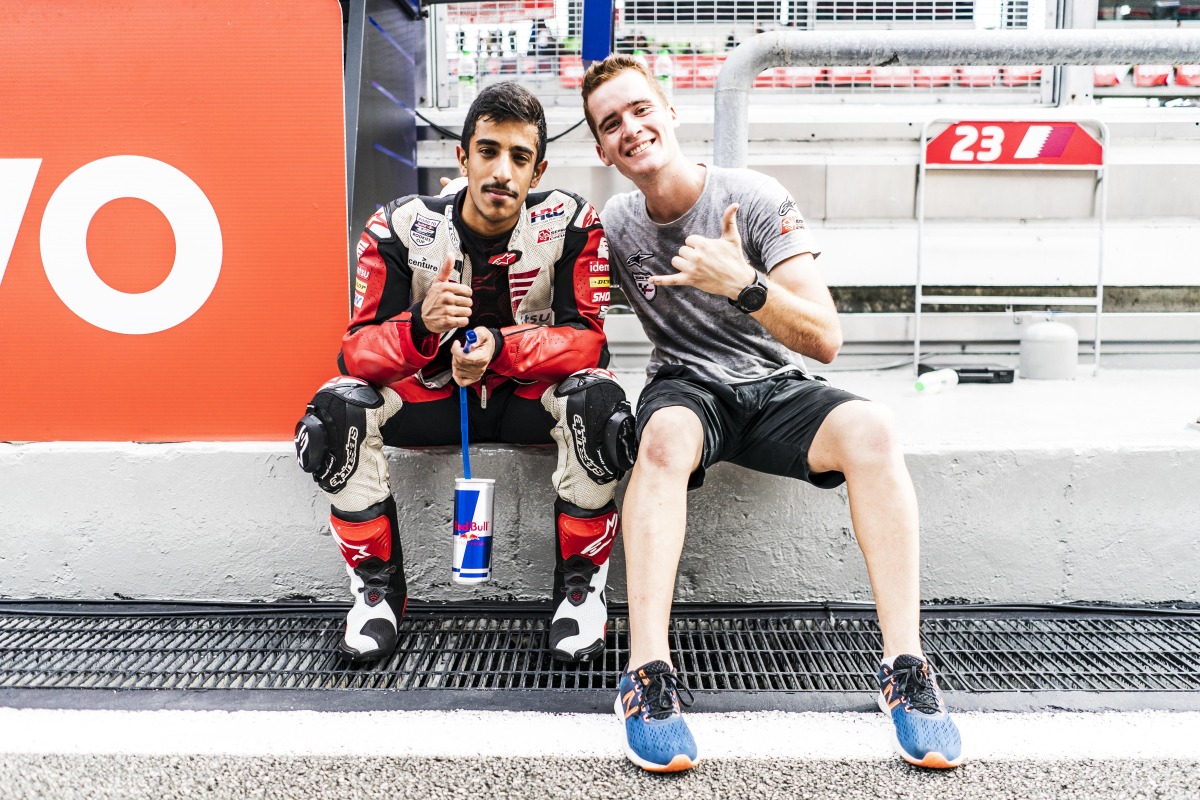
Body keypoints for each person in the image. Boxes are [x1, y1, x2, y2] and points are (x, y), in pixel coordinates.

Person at [580, 56, 963, 773]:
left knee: (874, 429)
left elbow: (825, 338)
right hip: (688, 389)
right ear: (603, 149)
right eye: (611, 123)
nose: (630, 128)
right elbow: (539, 259)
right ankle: (647, 676)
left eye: (640, 109)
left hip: (771, 387)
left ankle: (906, 669)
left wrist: (743, 284)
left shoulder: (752, 197)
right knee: (660, 438)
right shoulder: (616, 225)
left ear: (671, 112)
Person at [295, 82, 636, 667]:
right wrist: (421, 327)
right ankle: (377, 593)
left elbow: (588, 343)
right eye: (488, 151)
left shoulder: (572, 220)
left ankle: (580, 592)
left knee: (600, 405)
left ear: (538, 170)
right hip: (432, 401)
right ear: (463, 157)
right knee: (334, 413)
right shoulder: (401, 225)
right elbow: (356, 354)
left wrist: (499, 347)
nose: (502, 171)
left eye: (519, 157)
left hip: (525, 402)